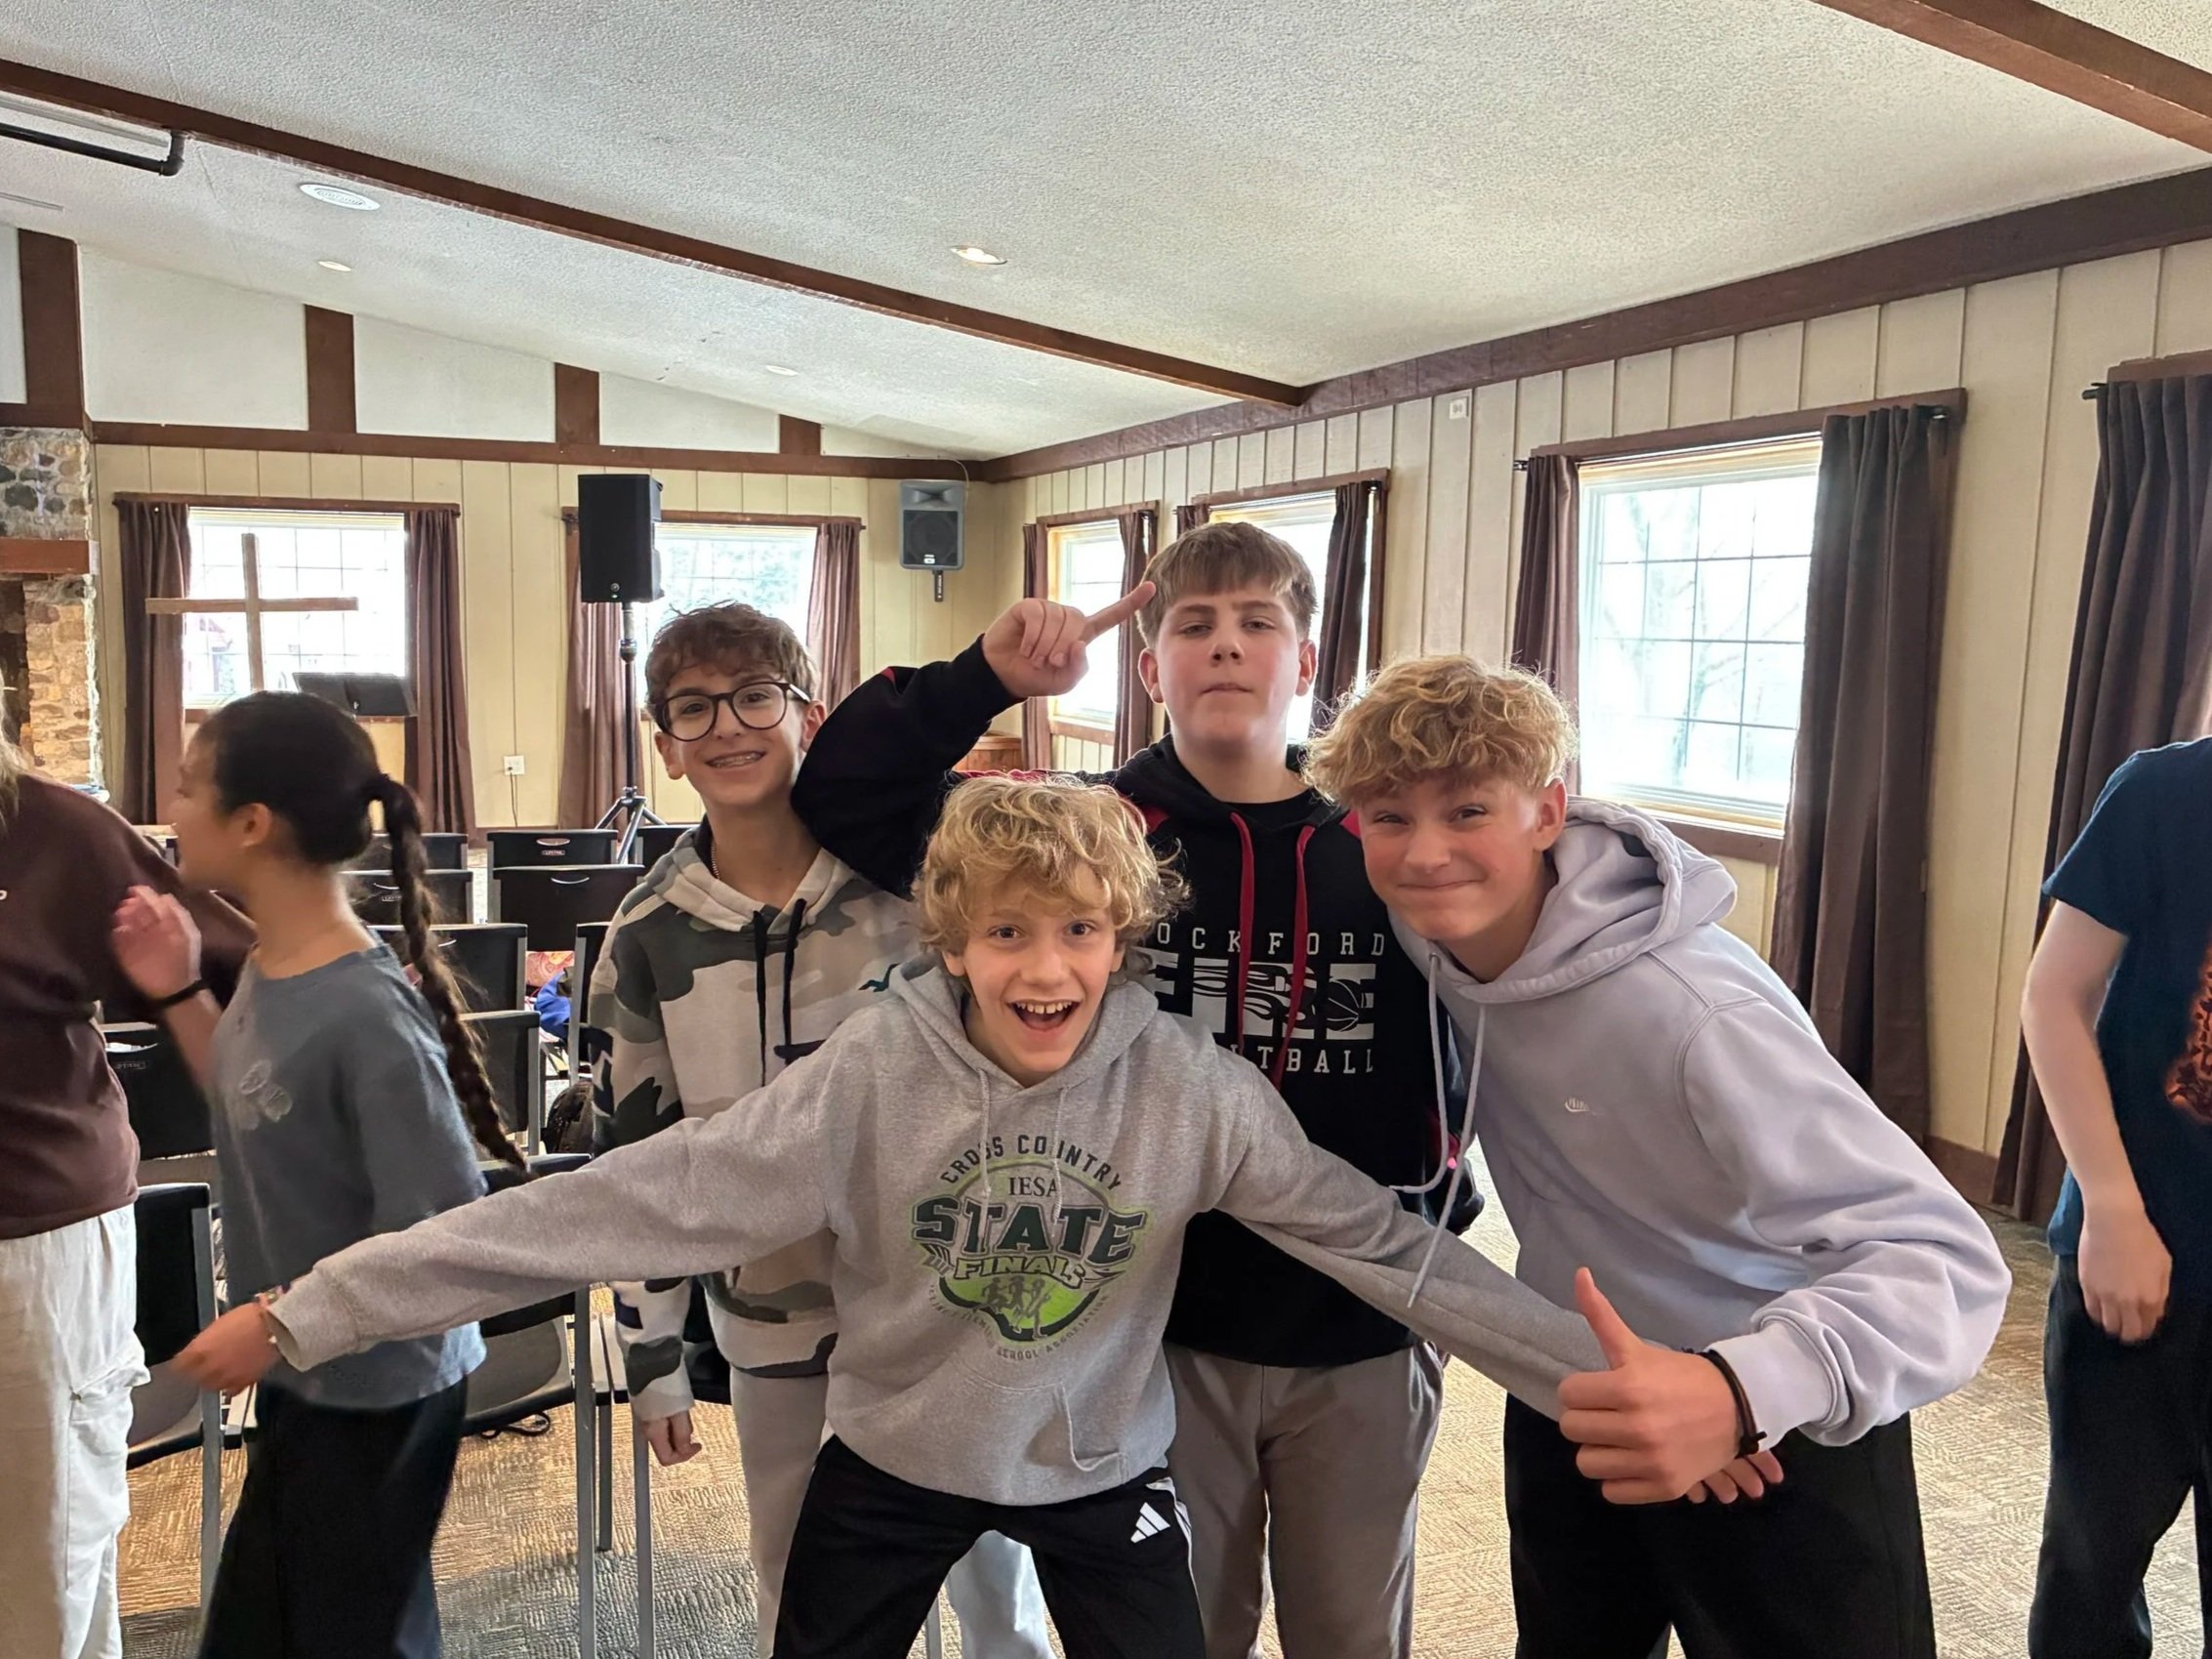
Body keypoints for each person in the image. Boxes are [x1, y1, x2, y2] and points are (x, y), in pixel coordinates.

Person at [167, 775, 1764, 1659]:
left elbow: (1393, 1249)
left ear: (1122, 936)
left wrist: (1638, 1382)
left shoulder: (1191, 1093)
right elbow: (610, 1199)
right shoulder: (870, 1077)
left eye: (1079, 929)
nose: (1046, 967)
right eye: (1008, 933)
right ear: (954, 937)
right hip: (893, 1458)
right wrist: (307, 1308)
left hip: (1103, 1465)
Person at [791, 521, 1479, 1658]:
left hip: (1359, 1318)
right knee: (1181, 1635)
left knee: (1354, 1632)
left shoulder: (1385, 845)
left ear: (1305, 662)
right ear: (1148, 666)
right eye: (1192, 625)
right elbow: (851, 801)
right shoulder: (1088, 839)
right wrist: (982, 679)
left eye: (1258, 623)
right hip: (1152, 1328)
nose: (1225, 646)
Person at [1301, 654, 2011, 1659]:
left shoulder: (1695, 1009)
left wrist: (1738, 1389)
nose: (1425, 854)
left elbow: (1947, 1261)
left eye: (1467, 812)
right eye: (1387, 817)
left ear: (1547, 812)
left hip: (1779, 1410)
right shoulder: (1431, 934)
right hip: (1574, 1380)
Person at [589, 601, 1048, 1655]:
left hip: (942, 1306)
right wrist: (651, 1352)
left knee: (991, 1579)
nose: (727, 725)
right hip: (769, 1315)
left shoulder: (915, 891)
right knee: (795, 1577)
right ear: (663, 745)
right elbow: (636, 1156)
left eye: (756, 695)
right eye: (693, 708)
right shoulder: (648, 932)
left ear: (807, 714)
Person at [114, 691, 524, 1659]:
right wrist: (176, 986)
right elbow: (253, 1094)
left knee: (345, 1633)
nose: (170, 810)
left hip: (383, 1388)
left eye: (185, 788)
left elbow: (446, 1228)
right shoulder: (275, 961)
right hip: (312, 1366)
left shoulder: (364, 1013)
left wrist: (277, 1320)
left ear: (251, 824)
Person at [0, 729, 248, 1659]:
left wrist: (180, 995)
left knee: (39, 1570)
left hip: (31, 1246)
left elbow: (258, 972)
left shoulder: (51, 830)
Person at [2019, 735, 2212, 1659]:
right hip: (2143, 1259)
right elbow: (2054, 995)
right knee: (2092, 1570)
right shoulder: (2167, 791)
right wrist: (2112, 1207)